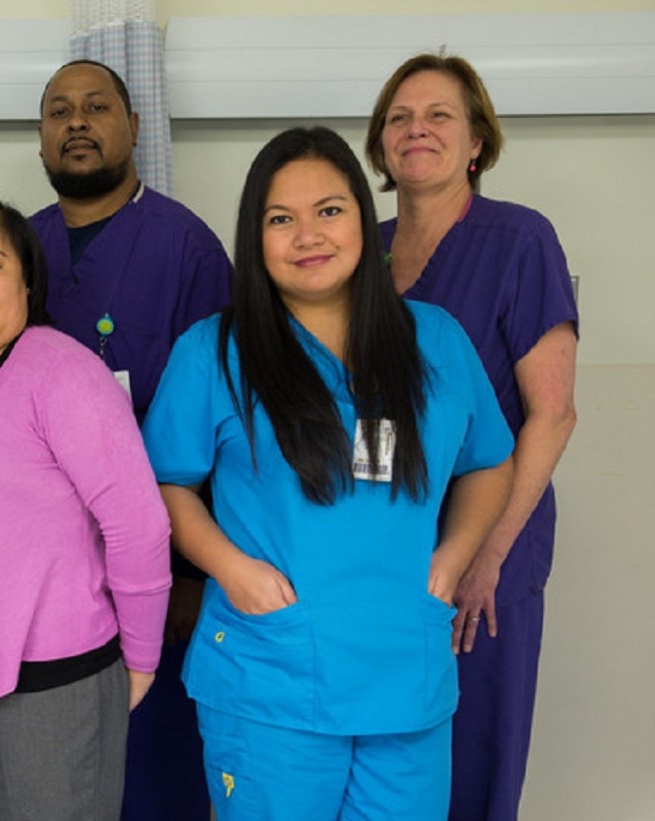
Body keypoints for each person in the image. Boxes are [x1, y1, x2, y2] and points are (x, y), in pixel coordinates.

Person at [143, 126, 516, 820]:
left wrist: (453, 559)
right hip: (269, 672)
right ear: (255, 238)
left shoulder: (434, 340)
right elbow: (165, 484)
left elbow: (491, 462)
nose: (307, 234)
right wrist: (232, 569)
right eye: (280, 218)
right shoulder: (215, 353)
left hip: (405, 669)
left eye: (330, 210)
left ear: (363, 216)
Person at [0, 193, 172, 821]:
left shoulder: (63, 373)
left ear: (26, 279)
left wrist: (143, 658)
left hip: (52, 680)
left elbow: (139, 526)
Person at [365, 53, 579, 821]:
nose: (415, 129)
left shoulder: (519, 241)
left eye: (438, 116)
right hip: (387, 543)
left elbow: (553, 413)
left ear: (477, 142)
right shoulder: (365, 248)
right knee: (391, 752)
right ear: (381, 144)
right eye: (399, 117)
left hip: (491, 539)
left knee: (476, 746)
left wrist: (487, 554)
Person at [30, 59, 233, 821]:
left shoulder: (188, 249)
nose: (77, 121)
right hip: (47, 576)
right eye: (59, 111)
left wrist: (191, 571)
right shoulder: (16, 251)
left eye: (96, 107)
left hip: (159, 571)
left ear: (135, 129)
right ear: (41, 140)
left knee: (151, 778)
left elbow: (227, 426)